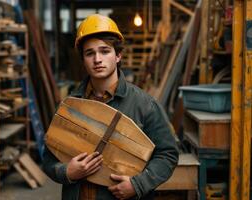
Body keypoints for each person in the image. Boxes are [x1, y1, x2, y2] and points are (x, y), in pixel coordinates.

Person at [43, 14, 179, 200]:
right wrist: (66, 172)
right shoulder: (70, 106)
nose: (97, 59)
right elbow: (49, 157)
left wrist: (138, 185)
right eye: (89, 53)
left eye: (105, 51)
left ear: (118, 55)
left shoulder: (145, 104)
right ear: (83, 60)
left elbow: (168, 154)